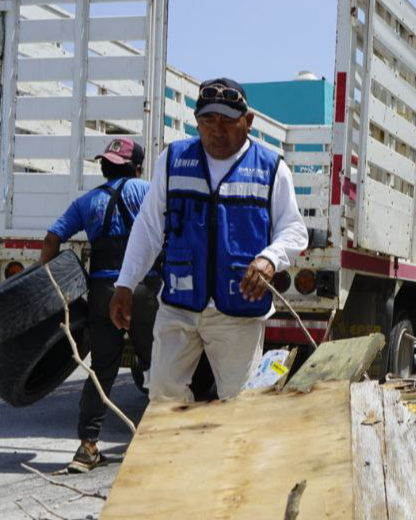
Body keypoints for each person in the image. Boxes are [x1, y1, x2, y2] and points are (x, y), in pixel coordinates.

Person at [109, 78, 308, 402]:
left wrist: (270, 258)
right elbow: (148, 227)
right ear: (196, 121)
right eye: (207, 121)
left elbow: (294, 229)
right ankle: (174, 453)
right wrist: (125, 284)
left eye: (228, 121)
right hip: (180, 305)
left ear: (248, 121)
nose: (217, 130)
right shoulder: (173, 161)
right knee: (162, 394)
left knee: (240, 402)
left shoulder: (271, 169)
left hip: (239, 310)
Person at [40, 137, 151, 473]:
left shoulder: (86, 202)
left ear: (104, 167)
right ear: (137, 167)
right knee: (159, 366)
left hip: (101, 292)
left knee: (102, 368)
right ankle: (161, 444)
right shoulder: (146, 191)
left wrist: (43, 285)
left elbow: (52, 238)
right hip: (142, 290)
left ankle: (87, 448)